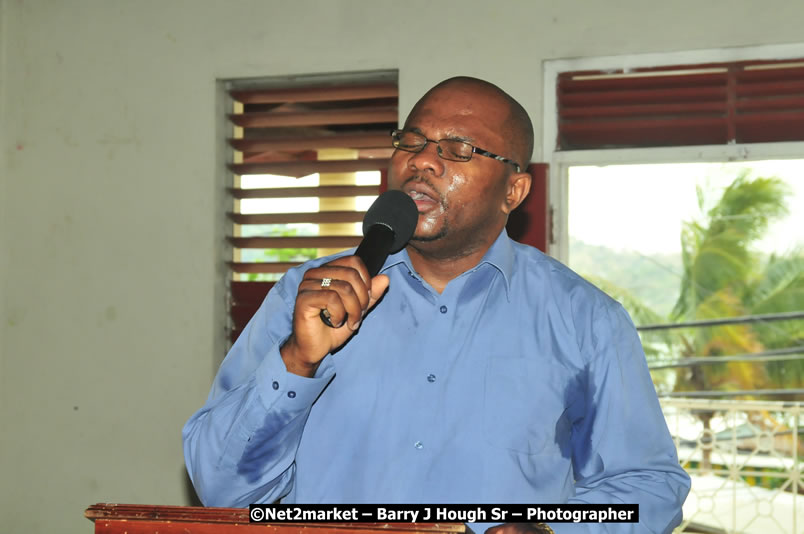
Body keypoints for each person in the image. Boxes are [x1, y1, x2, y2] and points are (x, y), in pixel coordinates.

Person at [183, 76, 690, 533]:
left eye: (459, 148)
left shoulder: (584, 320)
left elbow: (646, 486)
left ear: (513, 190)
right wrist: (297, 361)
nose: (421, 160)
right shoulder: (306, 296)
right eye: (412, 141)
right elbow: (222, 489)